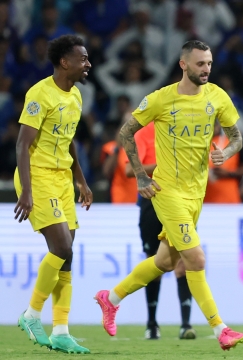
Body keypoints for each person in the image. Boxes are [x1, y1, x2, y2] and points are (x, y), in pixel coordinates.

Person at [94, 40, 243, 351]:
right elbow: (125, 132)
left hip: (196, 193)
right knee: (195, 258)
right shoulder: (160, 99)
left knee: (164, 261)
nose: (206, 69)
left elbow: (237, 138)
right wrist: (140, 175)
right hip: (166, 190)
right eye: (200, 64)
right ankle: (221, 329)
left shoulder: (217, 96)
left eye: (209, 63)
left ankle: (110, 298)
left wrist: (226, 153)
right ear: (183, 64)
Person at [13, 34, 92, 354]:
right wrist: (26, 192)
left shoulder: (75, 97)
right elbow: (22, 144)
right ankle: (32, 314)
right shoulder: (39, 94)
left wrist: (81, 180)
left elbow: (69, 139)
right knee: (61, 245)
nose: (88, 64)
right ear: (64, 62)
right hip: (38, 177)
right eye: (83, 59)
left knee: (68, 254)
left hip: (62, 178)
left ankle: (60, 329)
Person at [123, 121, 196, 340]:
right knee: (154, 261)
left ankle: (186, 324)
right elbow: (129, 170)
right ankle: (152, 323)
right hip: (152, 201)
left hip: (181, 201)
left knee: (185, 261)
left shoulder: (186, 131)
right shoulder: (145, 133)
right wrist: (166, 167)